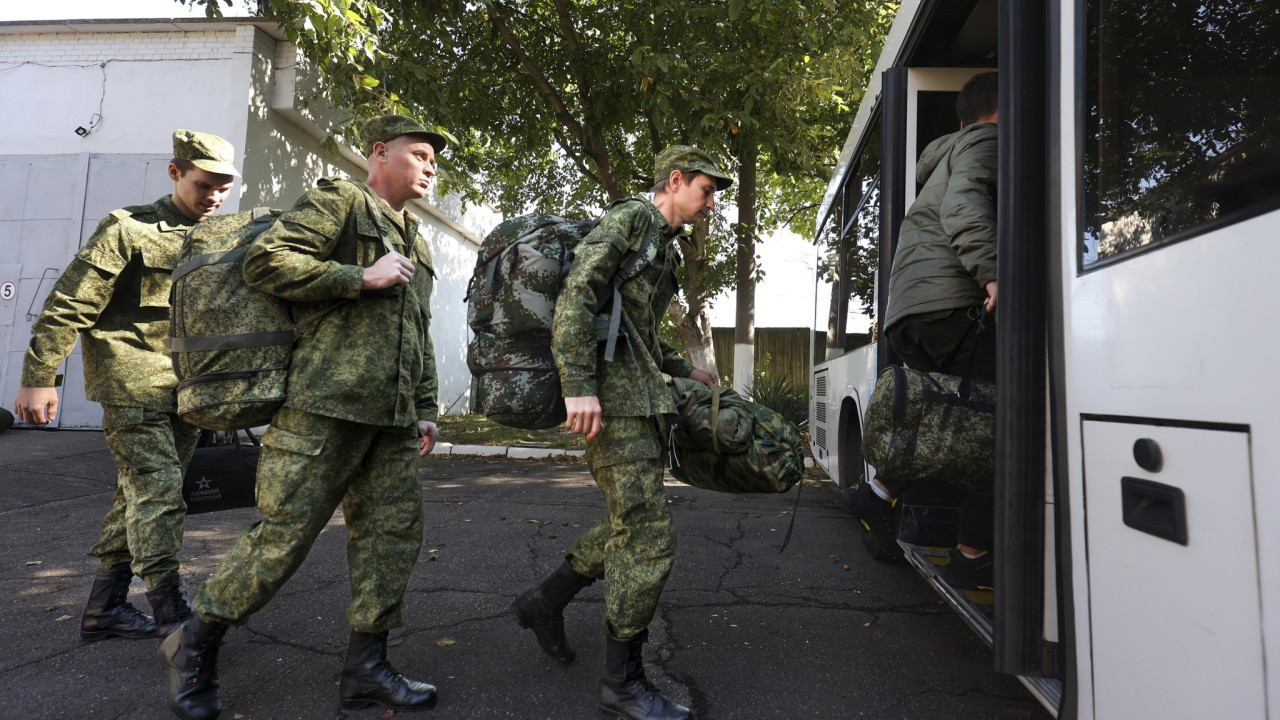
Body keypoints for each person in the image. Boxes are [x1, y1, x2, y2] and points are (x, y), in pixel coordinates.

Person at [157, 115, 445, 720]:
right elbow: (267, 261)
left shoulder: (413, 237)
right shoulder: (340, 201)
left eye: (432, 159)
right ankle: (194, 642)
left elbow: (413, 330)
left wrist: (423, 408)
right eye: (418, 155)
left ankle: (367, 668)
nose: (429, 166)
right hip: (322, 407)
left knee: (391, 542)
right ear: (380, 154)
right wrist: (358, 276)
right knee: (282, 539)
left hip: (390, 422)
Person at [512, 145, 730, 720]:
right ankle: (622, 684)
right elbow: (577, 292)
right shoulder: (632, 219)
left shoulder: (663, 245)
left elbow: (637, 330)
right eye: (707, 191)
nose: (711, 204)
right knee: (649, 535)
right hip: (611, 404)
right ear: (676, 180)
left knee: (627, 522)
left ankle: (543, 602)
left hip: (640, 400)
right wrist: (578, 382)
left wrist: (687, 369)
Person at [13, 130, 238, 642]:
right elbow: (69, 304)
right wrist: (39, 378)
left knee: (137, 494)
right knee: (159, 492)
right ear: (175, 172)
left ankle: (105, 608)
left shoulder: (218, 235)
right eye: (205, 185)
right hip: (131, 380)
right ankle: (171, 610)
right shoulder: (127, 228)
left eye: (224, 187)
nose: (215, 197)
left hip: (187, 386)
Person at [850, 71, 1000, 591]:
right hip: (950, 305)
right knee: (1003, 426)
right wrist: (994, 273)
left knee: (945, 421)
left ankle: (878, 492)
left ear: (958, 119)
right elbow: (966, 208)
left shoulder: (945, 155)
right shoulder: (988, 138)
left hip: (910, 312)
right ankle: (971, 554)